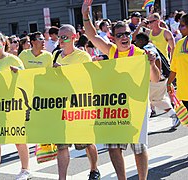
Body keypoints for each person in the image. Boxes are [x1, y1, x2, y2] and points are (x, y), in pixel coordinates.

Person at [82, 1, 160, 180]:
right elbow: (92, 36)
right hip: (116, 107)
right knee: (113, 147)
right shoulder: (112, 51)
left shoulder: (141, 54)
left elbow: (155, 79)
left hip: (136, 107)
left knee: (139, 147)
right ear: (113, 37)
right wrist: (85, 14)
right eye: (120, 35)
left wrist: (152, 63)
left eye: (127, 33)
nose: (124, 37)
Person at [53, 24, 100, 180]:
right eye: (59, 36)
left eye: (64, 37)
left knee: (86, 143)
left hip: (79, 106)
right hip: (61, 106)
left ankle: (94, 169)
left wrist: (64, 71)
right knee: (62, 146)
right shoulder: (55, 55)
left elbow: (86, 80)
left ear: (74, 38)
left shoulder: (82, 56)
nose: (60, 40)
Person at [0, 31, 29, 180]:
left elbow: (26, 79)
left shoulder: (13, 60)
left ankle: (25, 170)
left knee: (18, 139)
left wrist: (19, 73)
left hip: (13, 106)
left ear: (4, 44)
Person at [135, 33, 180, 128]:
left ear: (142, 41)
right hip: (161, 80)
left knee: (145, 101)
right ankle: (174, 115)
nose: (135, 43)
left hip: (156, 81)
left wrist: (156, 75)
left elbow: (155, 59)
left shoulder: (148, 49)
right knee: (158, 100)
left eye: (137, 41)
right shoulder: (150, 46)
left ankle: (142, 126)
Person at [167, 14, 188, 110]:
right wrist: (169, 83)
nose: (179, 28)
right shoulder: (180, 43)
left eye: (182, 25)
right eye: (179, 25)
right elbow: (174, 68)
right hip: (184, 93)